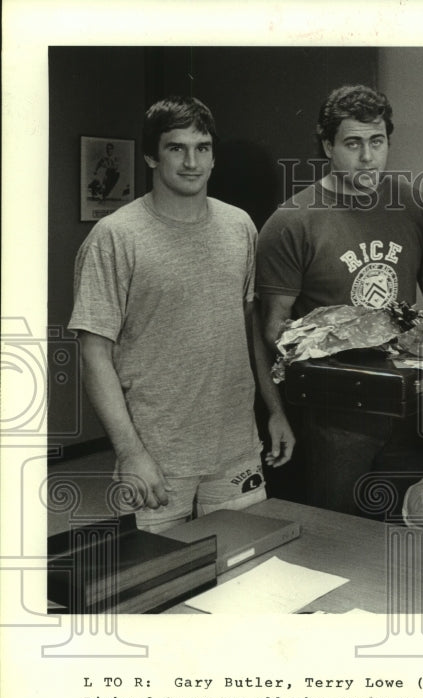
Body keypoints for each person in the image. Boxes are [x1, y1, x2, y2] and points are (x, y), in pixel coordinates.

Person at [69, 96, 294, 533]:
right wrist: (130, 453)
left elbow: (248, 329)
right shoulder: (116, 237)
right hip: (157, 456)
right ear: (152, 155)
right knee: (157, 589)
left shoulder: (240, 227)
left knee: (244, 577)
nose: (192, 161)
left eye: (203, 147)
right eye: (176, 148)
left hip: (235, 450)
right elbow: (94, 354)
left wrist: (275, 410)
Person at [256, 85, 423, 518]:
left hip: (407, 408)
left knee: (408, 529)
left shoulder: (414, 207)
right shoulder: (292, 221)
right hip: (334, 417)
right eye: (353, 143)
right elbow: (270, 328)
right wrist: (339, 340)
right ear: (327, 145)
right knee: (337, 537)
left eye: (377, 142)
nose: (367, 157)